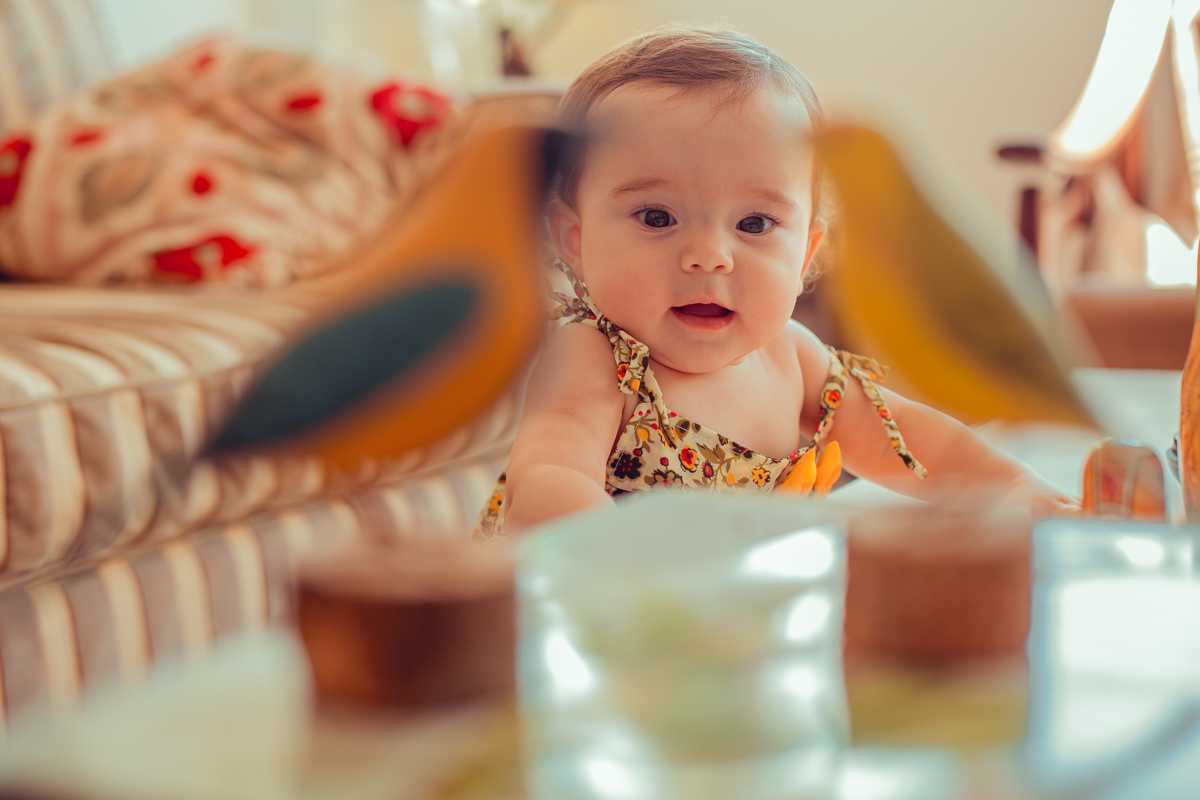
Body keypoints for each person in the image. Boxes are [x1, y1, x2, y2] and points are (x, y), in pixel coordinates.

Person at [475, 25, 1076, 538]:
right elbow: (548, 480)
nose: (709, 256)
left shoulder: (791, 357)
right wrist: (628, 562)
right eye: (657, 217)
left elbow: (908, 440)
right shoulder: (597, 358)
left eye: (755, 223)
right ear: (575, 240)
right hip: (582, 620)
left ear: (807, 252)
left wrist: (1011, 486)